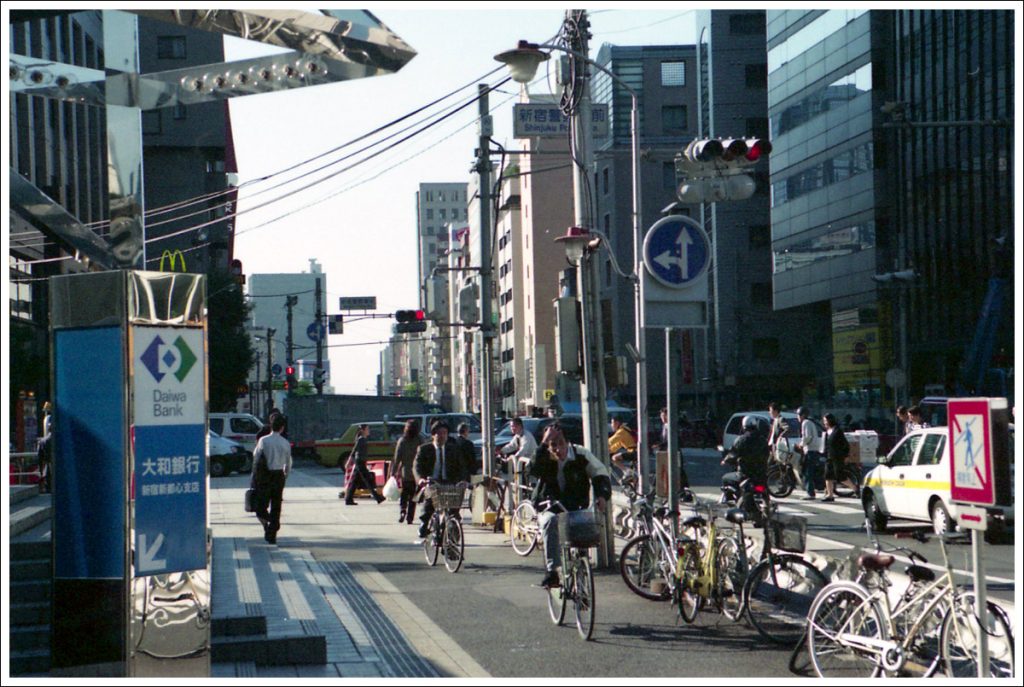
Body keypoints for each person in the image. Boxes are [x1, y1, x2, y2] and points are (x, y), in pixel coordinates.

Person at [529, 422, 611, 588]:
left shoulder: (581, 454)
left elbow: (600, 473)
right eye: (553, 445)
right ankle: (552, 572)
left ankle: (582, 578)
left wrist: (602, 496)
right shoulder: (545, 455)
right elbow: (532, 470)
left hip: (575, 506)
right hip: (550, 504)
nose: (557, 450)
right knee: (550, 522)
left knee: (584, 532)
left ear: (567, 442)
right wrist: (544, 443)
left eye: (560, 444)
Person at [414, 421, 472, 542]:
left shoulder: (453, 449)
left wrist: (464, 480)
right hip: (432, 482)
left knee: (453, 514)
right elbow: (417, 467)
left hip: (450, 483)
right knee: (430, 501)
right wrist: (421, 479)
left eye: (445, 433)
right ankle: (424, 523)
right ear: (433, 435)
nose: (442, 436)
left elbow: (462, 467)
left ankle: (453, 545)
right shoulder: (425, 449)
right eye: (439, 433)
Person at [252, 414, 292, 544]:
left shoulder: (263, 440)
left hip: (265, 476)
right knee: (276, 505)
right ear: (282, 428)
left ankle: (268, 522)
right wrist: (285, 474)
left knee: (261, 506)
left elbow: (256, 456)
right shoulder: (285, 443)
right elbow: (288, 463)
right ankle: (273, 531)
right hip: (279, 475)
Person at [721, 415, 770, 502]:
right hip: (760, 477)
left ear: (744, 426)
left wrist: (726, 460)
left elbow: (733, 454)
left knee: (725, 478)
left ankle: (733, 499)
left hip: (745, 475)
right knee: (762, 489)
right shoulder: (763, 440)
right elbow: (767, 454)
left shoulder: (741, 440)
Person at [390, 420, 422, 524]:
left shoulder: (402, 441)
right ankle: (410, 517)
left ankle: (403, 509)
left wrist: (393, 472)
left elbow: (397, 458)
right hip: (416, 473)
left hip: (405, 472)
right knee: (413, 496)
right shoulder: (419, 440)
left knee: (404, 493)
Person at [344, 424, 385, 505]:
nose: (368, 430)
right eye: (367, 429)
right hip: (360, 462)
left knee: (355, 482)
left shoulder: (363, 439)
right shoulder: (361, 439)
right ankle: (377, 497)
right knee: (368, 480)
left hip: (360, 461)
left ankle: (348, 499)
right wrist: (349, 461)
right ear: (363, 430)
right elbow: (354, 450)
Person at [822, 413, 858, 502]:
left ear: (830, 421)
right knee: (828, 475)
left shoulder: (838, 431)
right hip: (829, 456)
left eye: (825, 421)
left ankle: (855, 489)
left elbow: (845, 445)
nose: (824, 423)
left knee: (840, 476)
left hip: (838, 457)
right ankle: (830, 495)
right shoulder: (827, 432)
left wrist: (846, 456)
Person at [794, 407, 822, 501]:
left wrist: (801, 445)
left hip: (810, 450)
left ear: (802, 415)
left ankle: (810, 493)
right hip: (813, 449)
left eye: (798, 415)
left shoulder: (805, 423)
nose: (797, 417)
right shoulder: (809, 422)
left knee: (807, 473)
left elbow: (807, 437)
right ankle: (811, 491)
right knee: (809, 471)